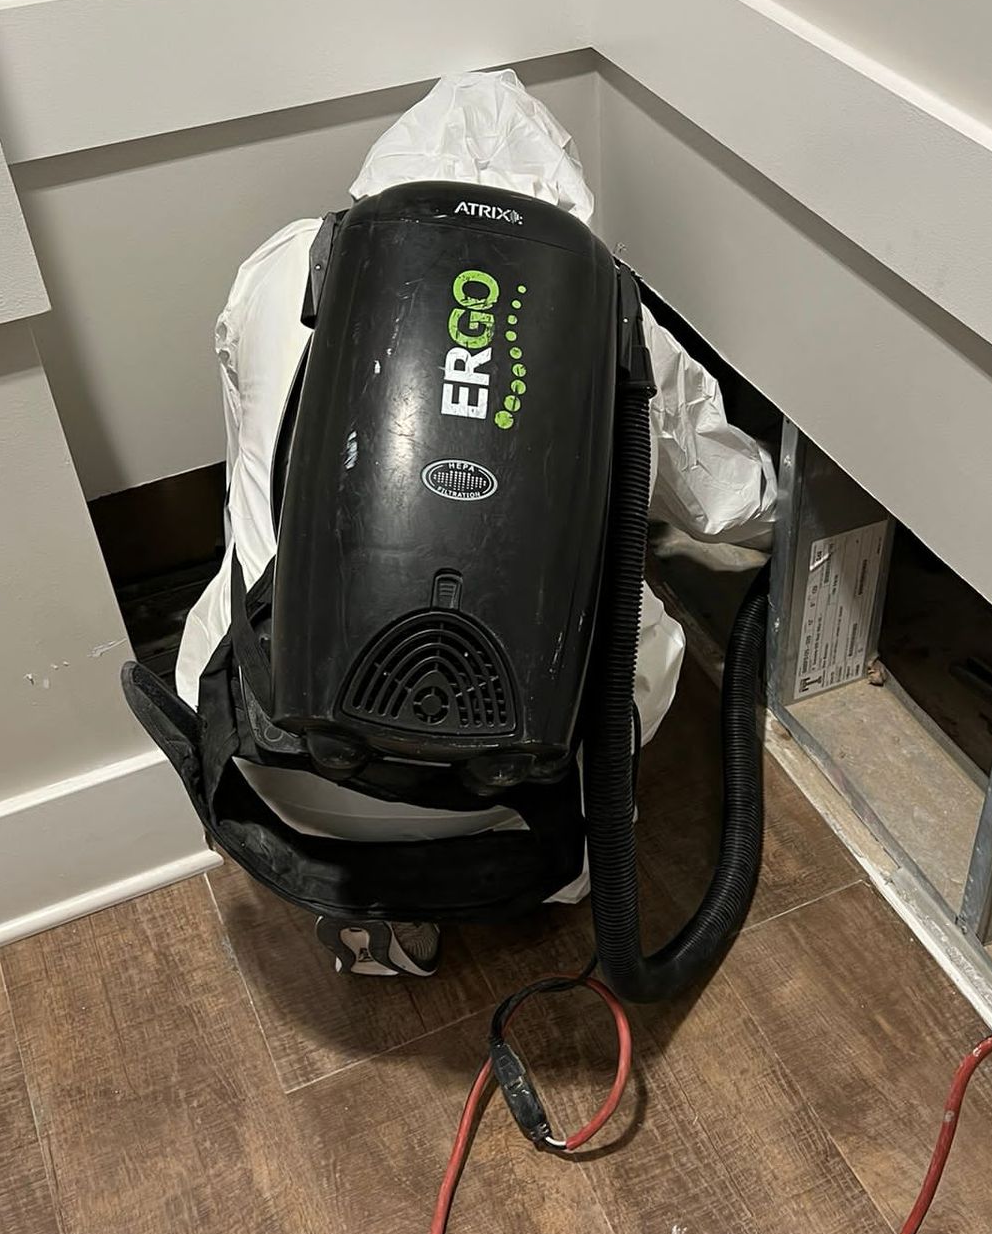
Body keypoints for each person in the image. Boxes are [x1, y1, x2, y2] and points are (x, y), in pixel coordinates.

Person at [174, 70, 776, 975]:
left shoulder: (277, 270)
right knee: (640, 636)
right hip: (514, 803)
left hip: (264, 758)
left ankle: (361, 899)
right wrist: (792, 507)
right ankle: (542, 882)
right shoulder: (610, 316)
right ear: (563, 200)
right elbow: (729, 505)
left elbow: (238, 398)